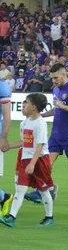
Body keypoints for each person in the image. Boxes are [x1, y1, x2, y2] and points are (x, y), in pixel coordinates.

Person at [0, 94, 55, 227]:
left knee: (43, 189)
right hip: (26, 159)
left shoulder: (40, 123)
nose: (23, 105)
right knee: (20, 188)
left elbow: (40, 144)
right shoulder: (24, 123)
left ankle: (49, 217)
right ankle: (11, 217)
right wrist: (9, 146)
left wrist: (32, 163)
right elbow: (24, 141)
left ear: (34, 107)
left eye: (27, 103)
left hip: (40, 160)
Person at [38, 64, 68, 204]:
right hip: (55, 135)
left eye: (56, 78)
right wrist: (42, 115)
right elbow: (56, 109)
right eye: (52, 78)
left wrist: (62, 106)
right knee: (46, 163)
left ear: (64, 75)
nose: (54, 81)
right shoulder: (56, 90)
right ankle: (43, 190)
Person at [0, 76, 12, 216]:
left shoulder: (2, 86)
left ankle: (4, 197)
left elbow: (7, 114)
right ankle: (4, 197)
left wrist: (3, 138)